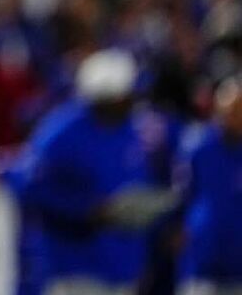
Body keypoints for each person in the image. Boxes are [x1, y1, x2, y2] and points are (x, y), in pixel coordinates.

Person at [16, 49, 177, 295]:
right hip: (76, 264)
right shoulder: (61, 131)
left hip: (124, 264)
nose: (132, 100)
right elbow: (27, 185)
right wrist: (88, 209)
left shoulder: (134, 128)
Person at [176, 77, 242, 295]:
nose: (236, 116)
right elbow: (181, 196)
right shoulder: (198, 145)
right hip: (203, 262)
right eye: (232, 108)